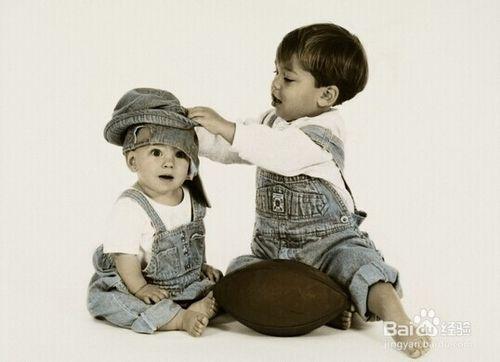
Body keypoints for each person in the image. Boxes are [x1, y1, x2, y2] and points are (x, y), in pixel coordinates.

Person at [189, 23, 431, 357]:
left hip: (329, 243)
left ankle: (399, 322)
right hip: (272, 247)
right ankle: (324, 305)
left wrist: (227, 127)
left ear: (326, 95)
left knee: (364, 268)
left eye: (288, 78)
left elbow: (277, 151)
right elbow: (232, 148)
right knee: (240, 270)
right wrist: (190, 137)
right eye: (276, 72)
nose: (275, 83)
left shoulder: (322, 133)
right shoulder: (271, 123)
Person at [87, 88, 222, 336]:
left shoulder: (190, 198)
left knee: (222, 284)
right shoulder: (130, 208)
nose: (168, 162)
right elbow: (124, 257)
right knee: (115, 304)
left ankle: (195, 303)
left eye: (179, 154)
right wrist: (140, 289)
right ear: (132, 161)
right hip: (135, 281)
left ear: (191, 166)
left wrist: (201, 267)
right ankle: (178, 318)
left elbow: (192, 244)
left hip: (182, 282)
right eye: (156, 152)